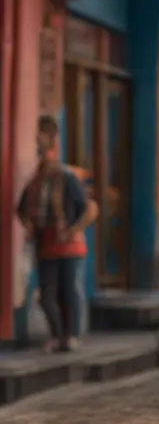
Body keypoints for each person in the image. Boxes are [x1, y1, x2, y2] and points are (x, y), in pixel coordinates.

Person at [17, 115, 98, 353]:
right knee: (46, 294)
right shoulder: (34, 182)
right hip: (45, 243)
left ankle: (70, 335)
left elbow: (89, 209)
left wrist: (72, 230)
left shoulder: (67, 178)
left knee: (69, 290)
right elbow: (21, 209)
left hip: (69, 244)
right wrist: (29, 225)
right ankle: (57, 333)